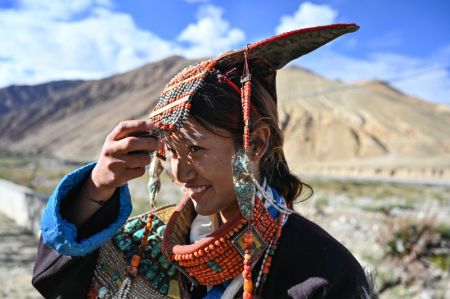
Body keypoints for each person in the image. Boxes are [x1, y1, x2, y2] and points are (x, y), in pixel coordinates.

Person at [32, 23, 373, 299]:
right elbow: (57, 282)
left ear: (255, 144)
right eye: (170, 153)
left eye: (195, 149)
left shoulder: (324, 272)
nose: (180, 173)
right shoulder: (147, 243)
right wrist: (96, 187)